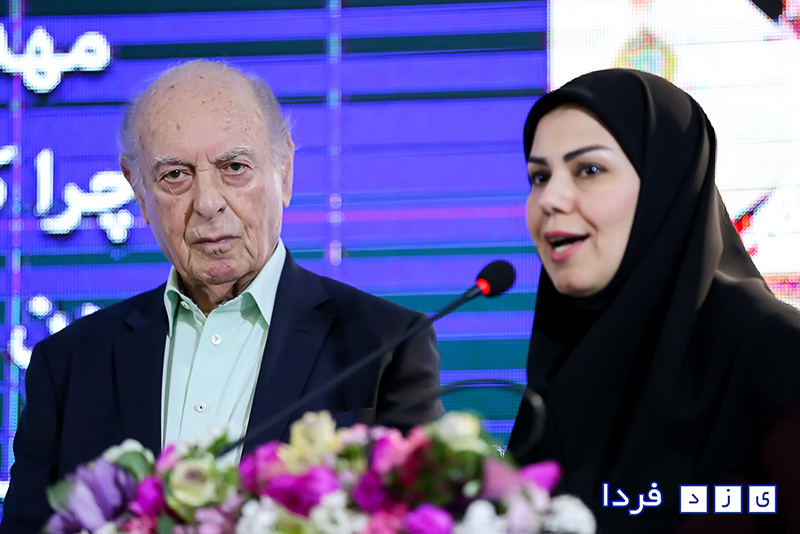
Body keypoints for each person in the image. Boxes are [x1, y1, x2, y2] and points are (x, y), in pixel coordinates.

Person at [0, 60, 443, 533]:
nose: (208, 203)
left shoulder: (385, 345)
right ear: (138, 191)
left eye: (234, 168)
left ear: (285, 170)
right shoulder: (67, 365)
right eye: (175, 175)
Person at [507, 68, 800, 533]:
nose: (550, 199)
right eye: (539, 176)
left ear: (665, 183)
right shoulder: (560, 366)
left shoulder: (773, 353)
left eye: (589, 170)